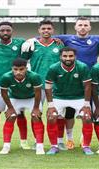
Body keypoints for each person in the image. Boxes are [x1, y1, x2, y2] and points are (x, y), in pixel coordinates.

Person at [22, 17, 99, 150]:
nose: (83, 27)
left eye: (86, 25)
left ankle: (87, 140)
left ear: (90, 27)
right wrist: (31, 39)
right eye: (80, 25)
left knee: (90, 112)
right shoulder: (66, 39)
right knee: (60, 112)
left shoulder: (98, 40)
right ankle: (62, 139)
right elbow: (46, 34)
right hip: (64, 81)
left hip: (89, 81)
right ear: (75, 27)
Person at [0, 22, 29, 149]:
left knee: (19, 113)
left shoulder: (20, 42)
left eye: (8, 30)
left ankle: (23, 141)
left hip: (15, 85)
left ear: (12, 31)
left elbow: (34, 41)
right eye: (2, 30)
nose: (5, 33)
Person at [21, 19, 65, 149]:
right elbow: (22, 63)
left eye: (49, 29)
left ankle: (59, 141)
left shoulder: (59, 45)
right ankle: (37, 140)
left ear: (53, 30)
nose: (46, 31)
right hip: (37, 85)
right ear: (39, 30)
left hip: (56, 85)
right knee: (36, 113)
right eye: (43, 29)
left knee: (58, 114)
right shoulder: (32, 45)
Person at [45, 47, 93, 155]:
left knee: (87, 117)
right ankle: (54, 146)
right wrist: (50, 105)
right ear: (60, 57)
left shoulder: (82, 67)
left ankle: (86, 146)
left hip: (78, 97)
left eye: (71, 56)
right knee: (51, 117)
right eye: (65, 56)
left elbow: (87, 87)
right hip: (59, 97)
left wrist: (86, 104)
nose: (68, 58)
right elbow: (48, 87)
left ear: (75, 56)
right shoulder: (53, 68)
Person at [0, 58, 45, 155]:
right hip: (15, 98)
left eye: (21, 69)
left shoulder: (34, 76)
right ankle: (6, 146)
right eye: (15, 69)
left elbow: (38, 93)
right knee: (10, 117)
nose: (18, 72)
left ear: (26, 68)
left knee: (36, 117)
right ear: (12, 69)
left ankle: (40, 146)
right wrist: (10, 108)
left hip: (31, 98)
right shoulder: (6, 77)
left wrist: (36, 108)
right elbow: (4, 94)